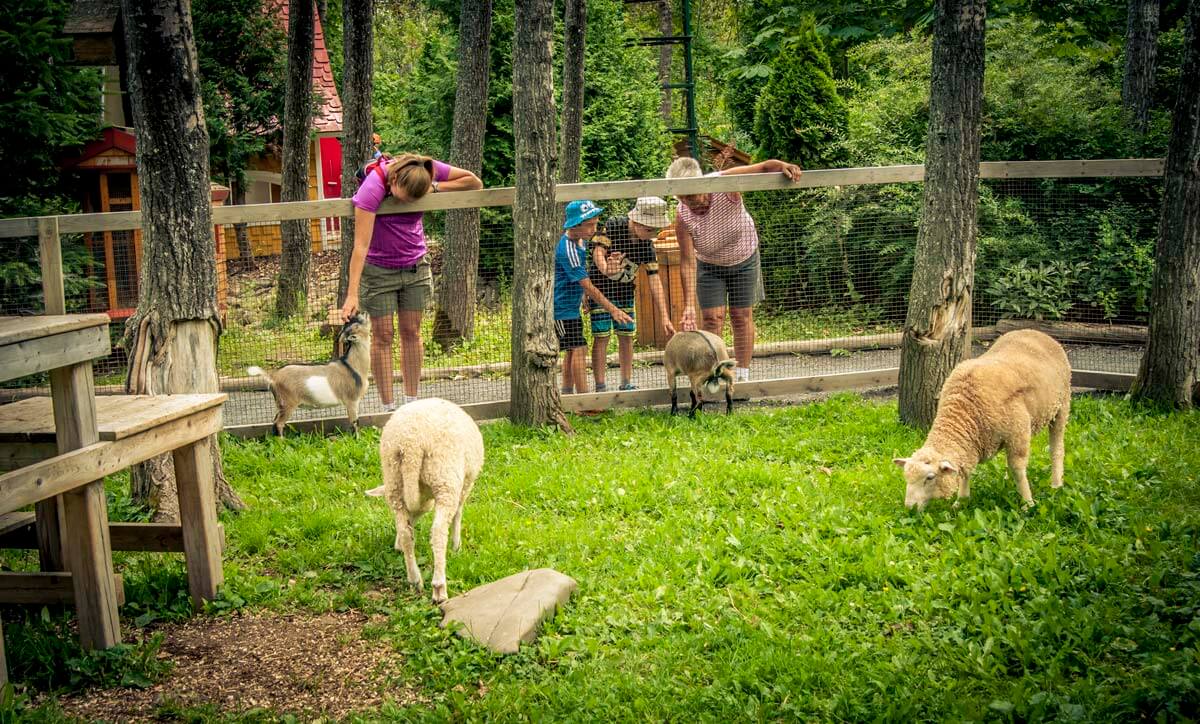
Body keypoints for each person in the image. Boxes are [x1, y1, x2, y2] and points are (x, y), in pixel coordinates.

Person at [341, 153, 483, 411]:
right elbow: (360, 246)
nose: (405, 203)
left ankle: (411, 404)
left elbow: (474, 182)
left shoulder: (425, 168)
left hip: (416, 267)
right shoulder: (372, 188)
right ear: (393, 179)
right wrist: (352, 294)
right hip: (378, 270)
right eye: (401, 198)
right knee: (383, 336)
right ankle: (388, 408)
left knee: (412, 332)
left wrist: (436, 186)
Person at [666, 156, 802, 385]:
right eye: (682, 199)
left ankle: (742, 375)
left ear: (701, 183)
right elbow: (688, 261)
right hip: (709, 265)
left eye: (691, 195)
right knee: (712, 318)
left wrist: (784, 167)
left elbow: (762, 168)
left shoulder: (724, 184)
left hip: (743, 257)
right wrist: (689, 304)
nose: (690, 202)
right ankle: (714, 375)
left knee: (741, 316)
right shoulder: (682, 216)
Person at [588, 196, 675, 391]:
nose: (652, 233)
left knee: (626, 335)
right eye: (648, 229)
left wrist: (664, 316)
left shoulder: (647, 245)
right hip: (600, 291)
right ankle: (600, 385)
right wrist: (606, 269)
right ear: (635, 221)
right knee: (601, 336)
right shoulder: (614, 225)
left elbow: (654, 279)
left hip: (625, 292)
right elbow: (597, 253)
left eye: (655, 230)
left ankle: (626, 382)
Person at [555, 199, 633, 395]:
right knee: (579, 348)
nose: (594, 229)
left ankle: (567, 393)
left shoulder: (579, 242)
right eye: (589, 225)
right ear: (575, 225)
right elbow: (587, 284)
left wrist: (582, 298)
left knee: (572, 350)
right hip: (561, 309)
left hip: (571, 306)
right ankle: (585, 401)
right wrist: (613, 309)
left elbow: (571, 278)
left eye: (596, 223)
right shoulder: (568, 249)